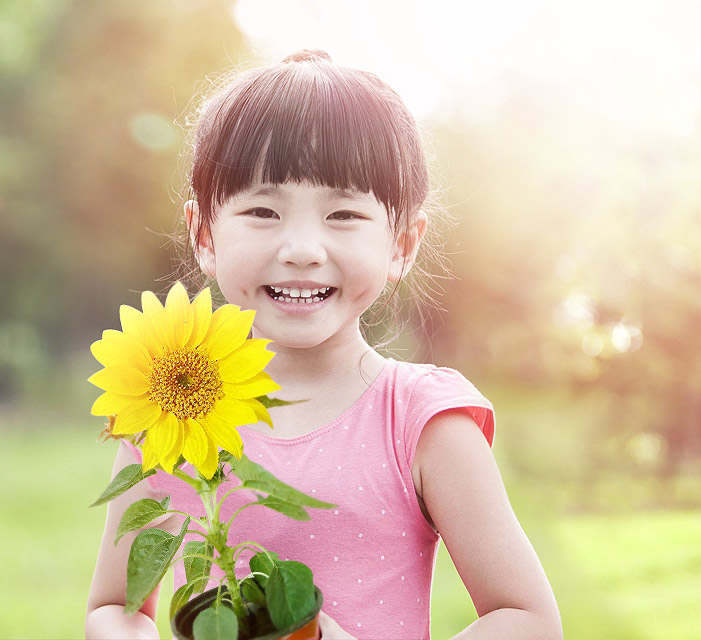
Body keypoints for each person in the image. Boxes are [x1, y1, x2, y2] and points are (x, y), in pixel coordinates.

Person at [83, 50, 562, 639]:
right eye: (263, 210)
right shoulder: (169, 413)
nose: (303, 248)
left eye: (343, 213)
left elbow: (528, 619)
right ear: (204, 234)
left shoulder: (420, 420)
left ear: (403, 243)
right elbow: (115, 607)